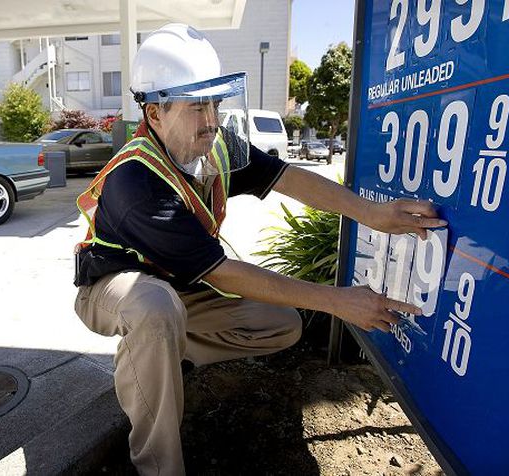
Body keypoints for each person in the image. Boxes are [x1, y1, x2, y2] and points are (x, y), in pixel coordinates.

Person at [73, 23, 447, 476]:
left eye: (215, 101)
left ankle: (156, 352)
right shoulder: (136, 181)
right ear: (155, 113)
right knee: (154, 310)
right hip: (114, 288)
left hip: (179, 285)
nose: (211, 119)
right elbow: (221, 272)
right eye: (196, 106)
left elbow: (288, 177)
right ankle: (158, 464)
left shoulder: (215, 146)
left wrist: (373, 213)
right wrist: (338, 302)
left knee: (281, 325)